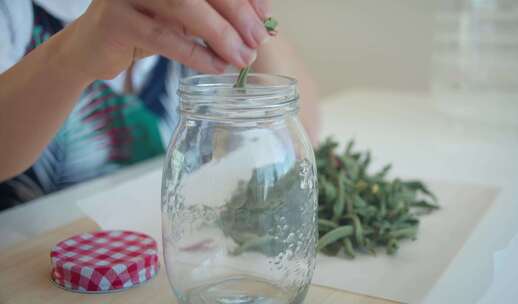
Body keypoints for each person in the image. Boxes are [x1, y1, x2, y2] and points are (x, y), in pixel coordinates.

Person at [0, 0, 320, 209]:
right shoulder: (16, 15)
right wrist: (72, 57)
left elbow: (299, 134)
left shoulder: (199, 17)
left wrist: (252, 24)